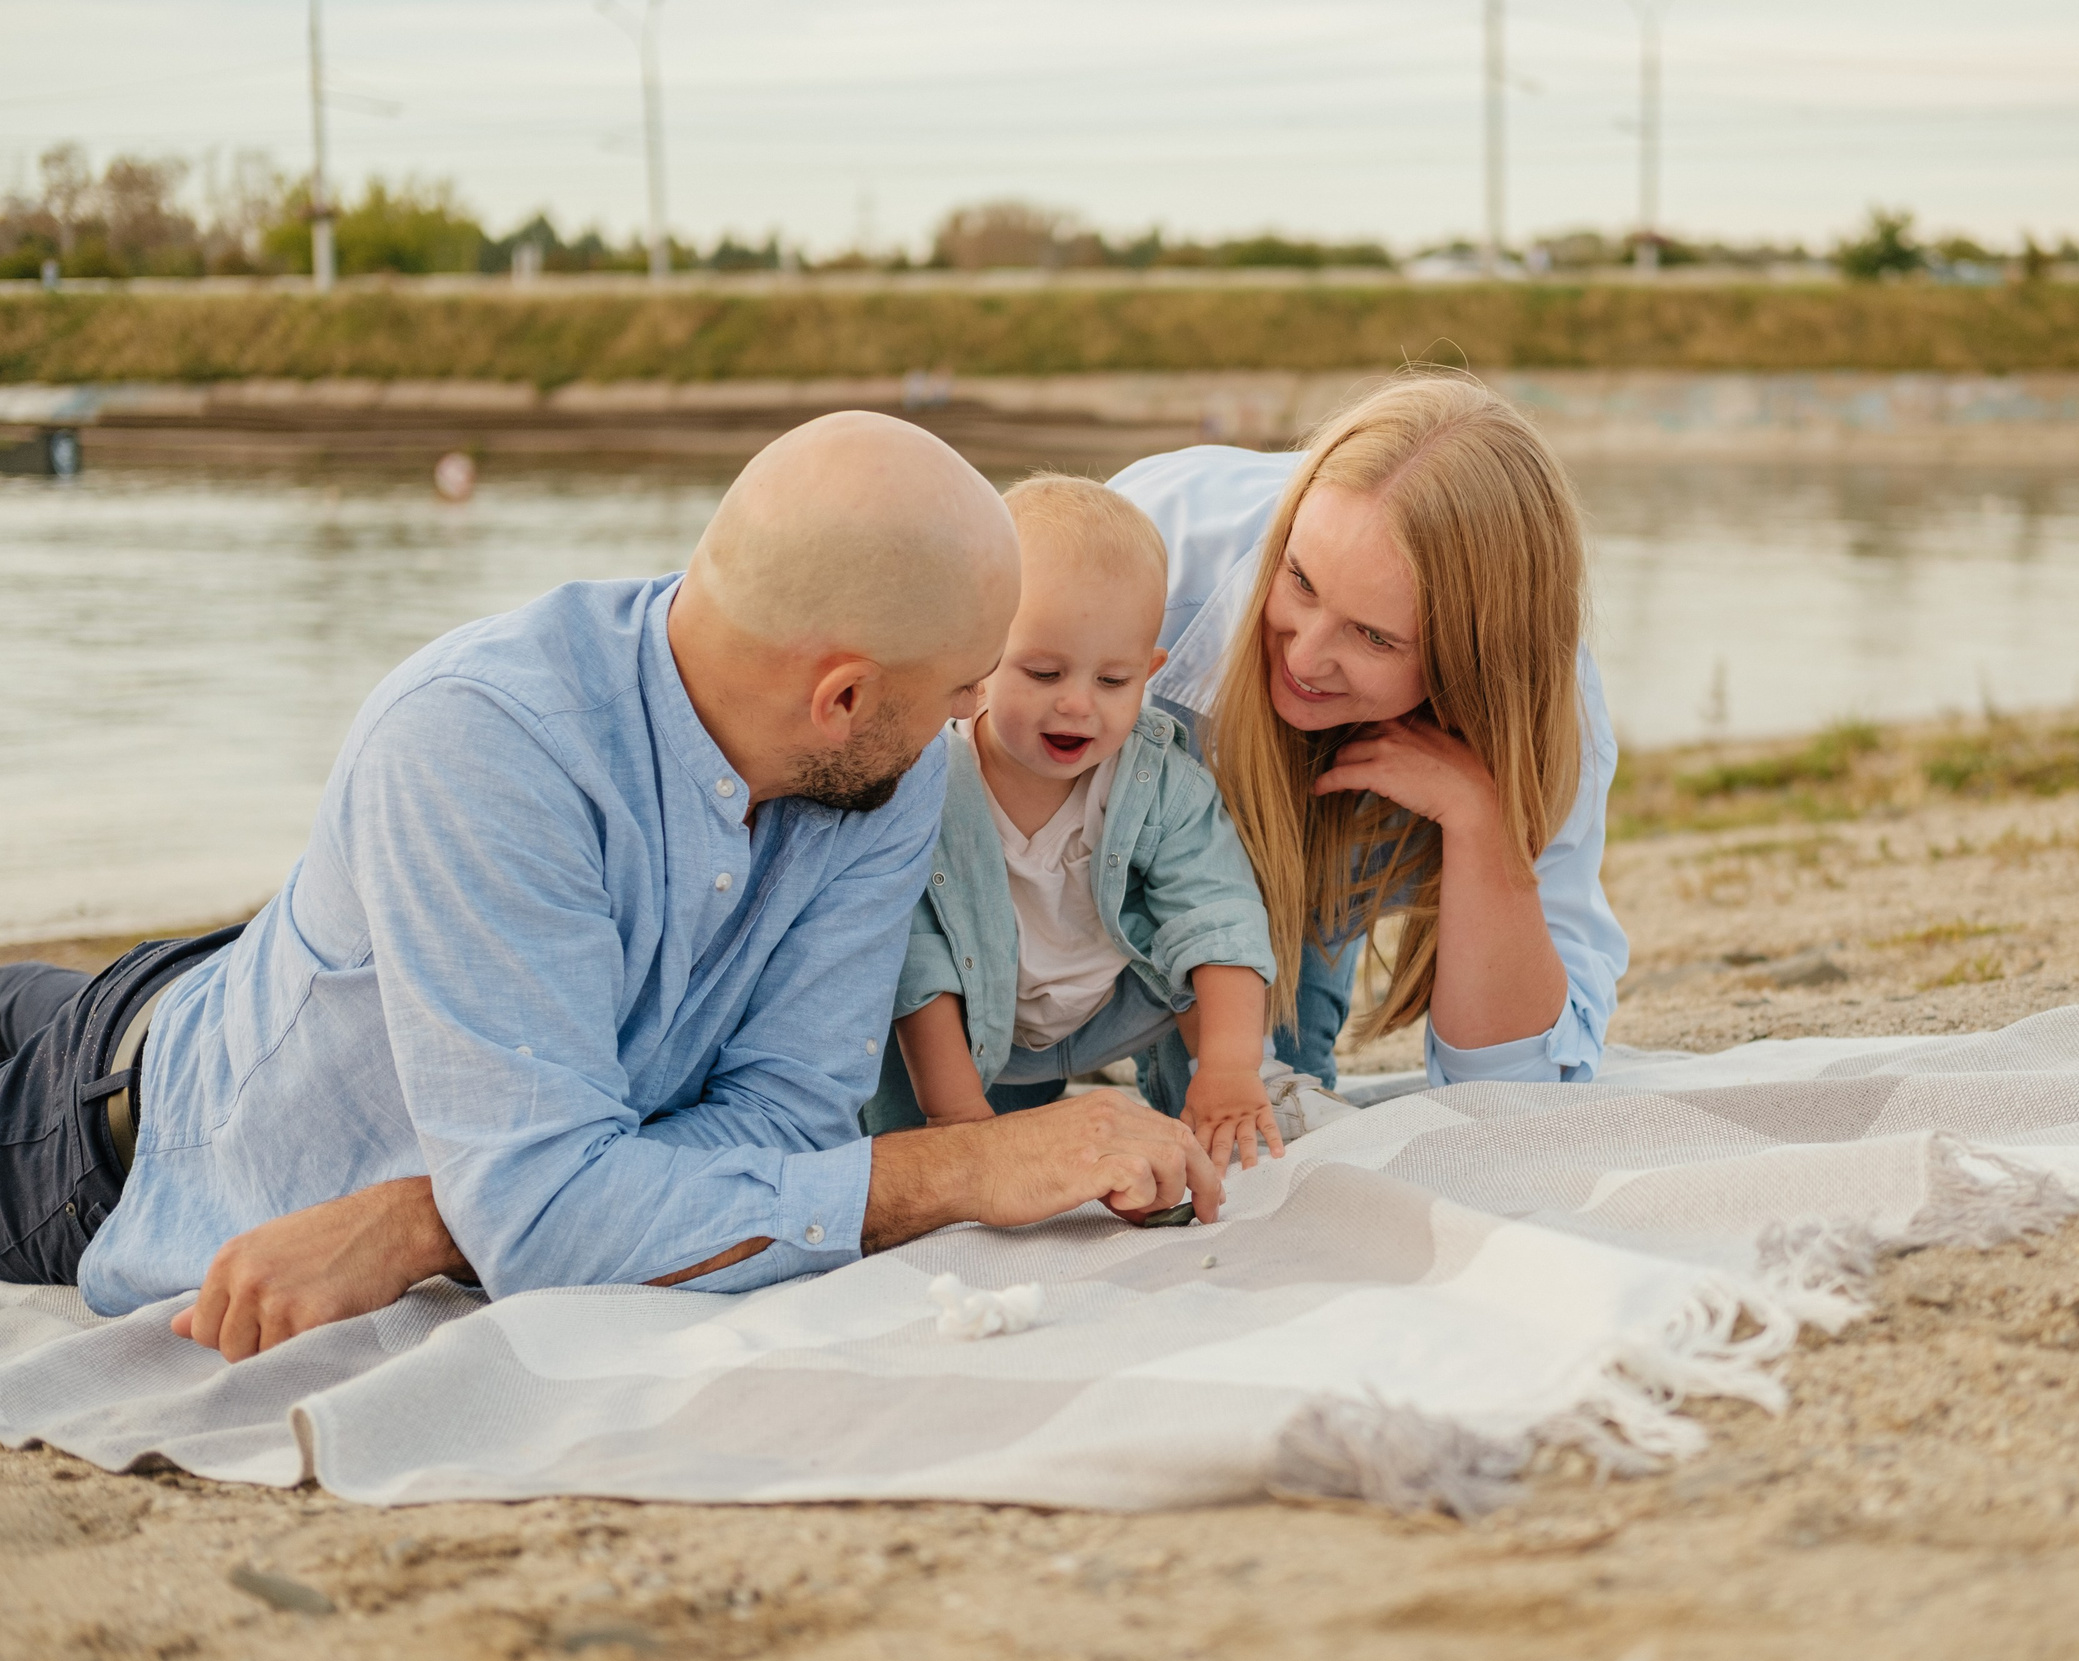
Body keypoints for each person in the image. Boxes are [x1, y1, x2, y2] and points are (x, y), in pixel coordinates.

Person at [0, 412, 1220, 1361]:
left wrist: (442, 1216)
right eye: (962, 687)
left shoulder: (882, 775)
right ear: (840, 693)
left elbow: (788, 1114)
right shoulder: (483, 743)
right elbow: (541, 1220)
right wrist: (967, 1169)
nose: (972, 720)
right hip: (91, 1131)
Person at [1107, 370, 1627, 1090]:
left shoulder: (1554, 714)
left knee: (1272, 1117)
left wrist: (1479, 823)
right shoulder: (1149, 543)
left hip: (1305, 896)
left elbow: (1519, 1085)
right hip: (1067, 875)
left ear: (1469, 666)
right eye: (1301, 581)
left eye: (1375, 636)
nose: (1305, 655)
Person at [868, 475, 1284, 1170]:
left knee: (1204, 960)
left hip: (1106, 1011)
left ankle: (1222, 1102)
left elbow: (1218, 911)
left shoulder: (1155, 777)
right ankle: (932, 1126)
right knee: (911, 1112)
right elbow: (918, 957)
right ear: (977, 658)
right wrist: (959, 1120)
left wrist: (1232, 1068)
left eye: (1112, 681)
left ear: (1148, 673)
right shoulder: (930, 781)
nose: (1078, 706)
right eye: (1043, 672)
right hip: (967, 1023)